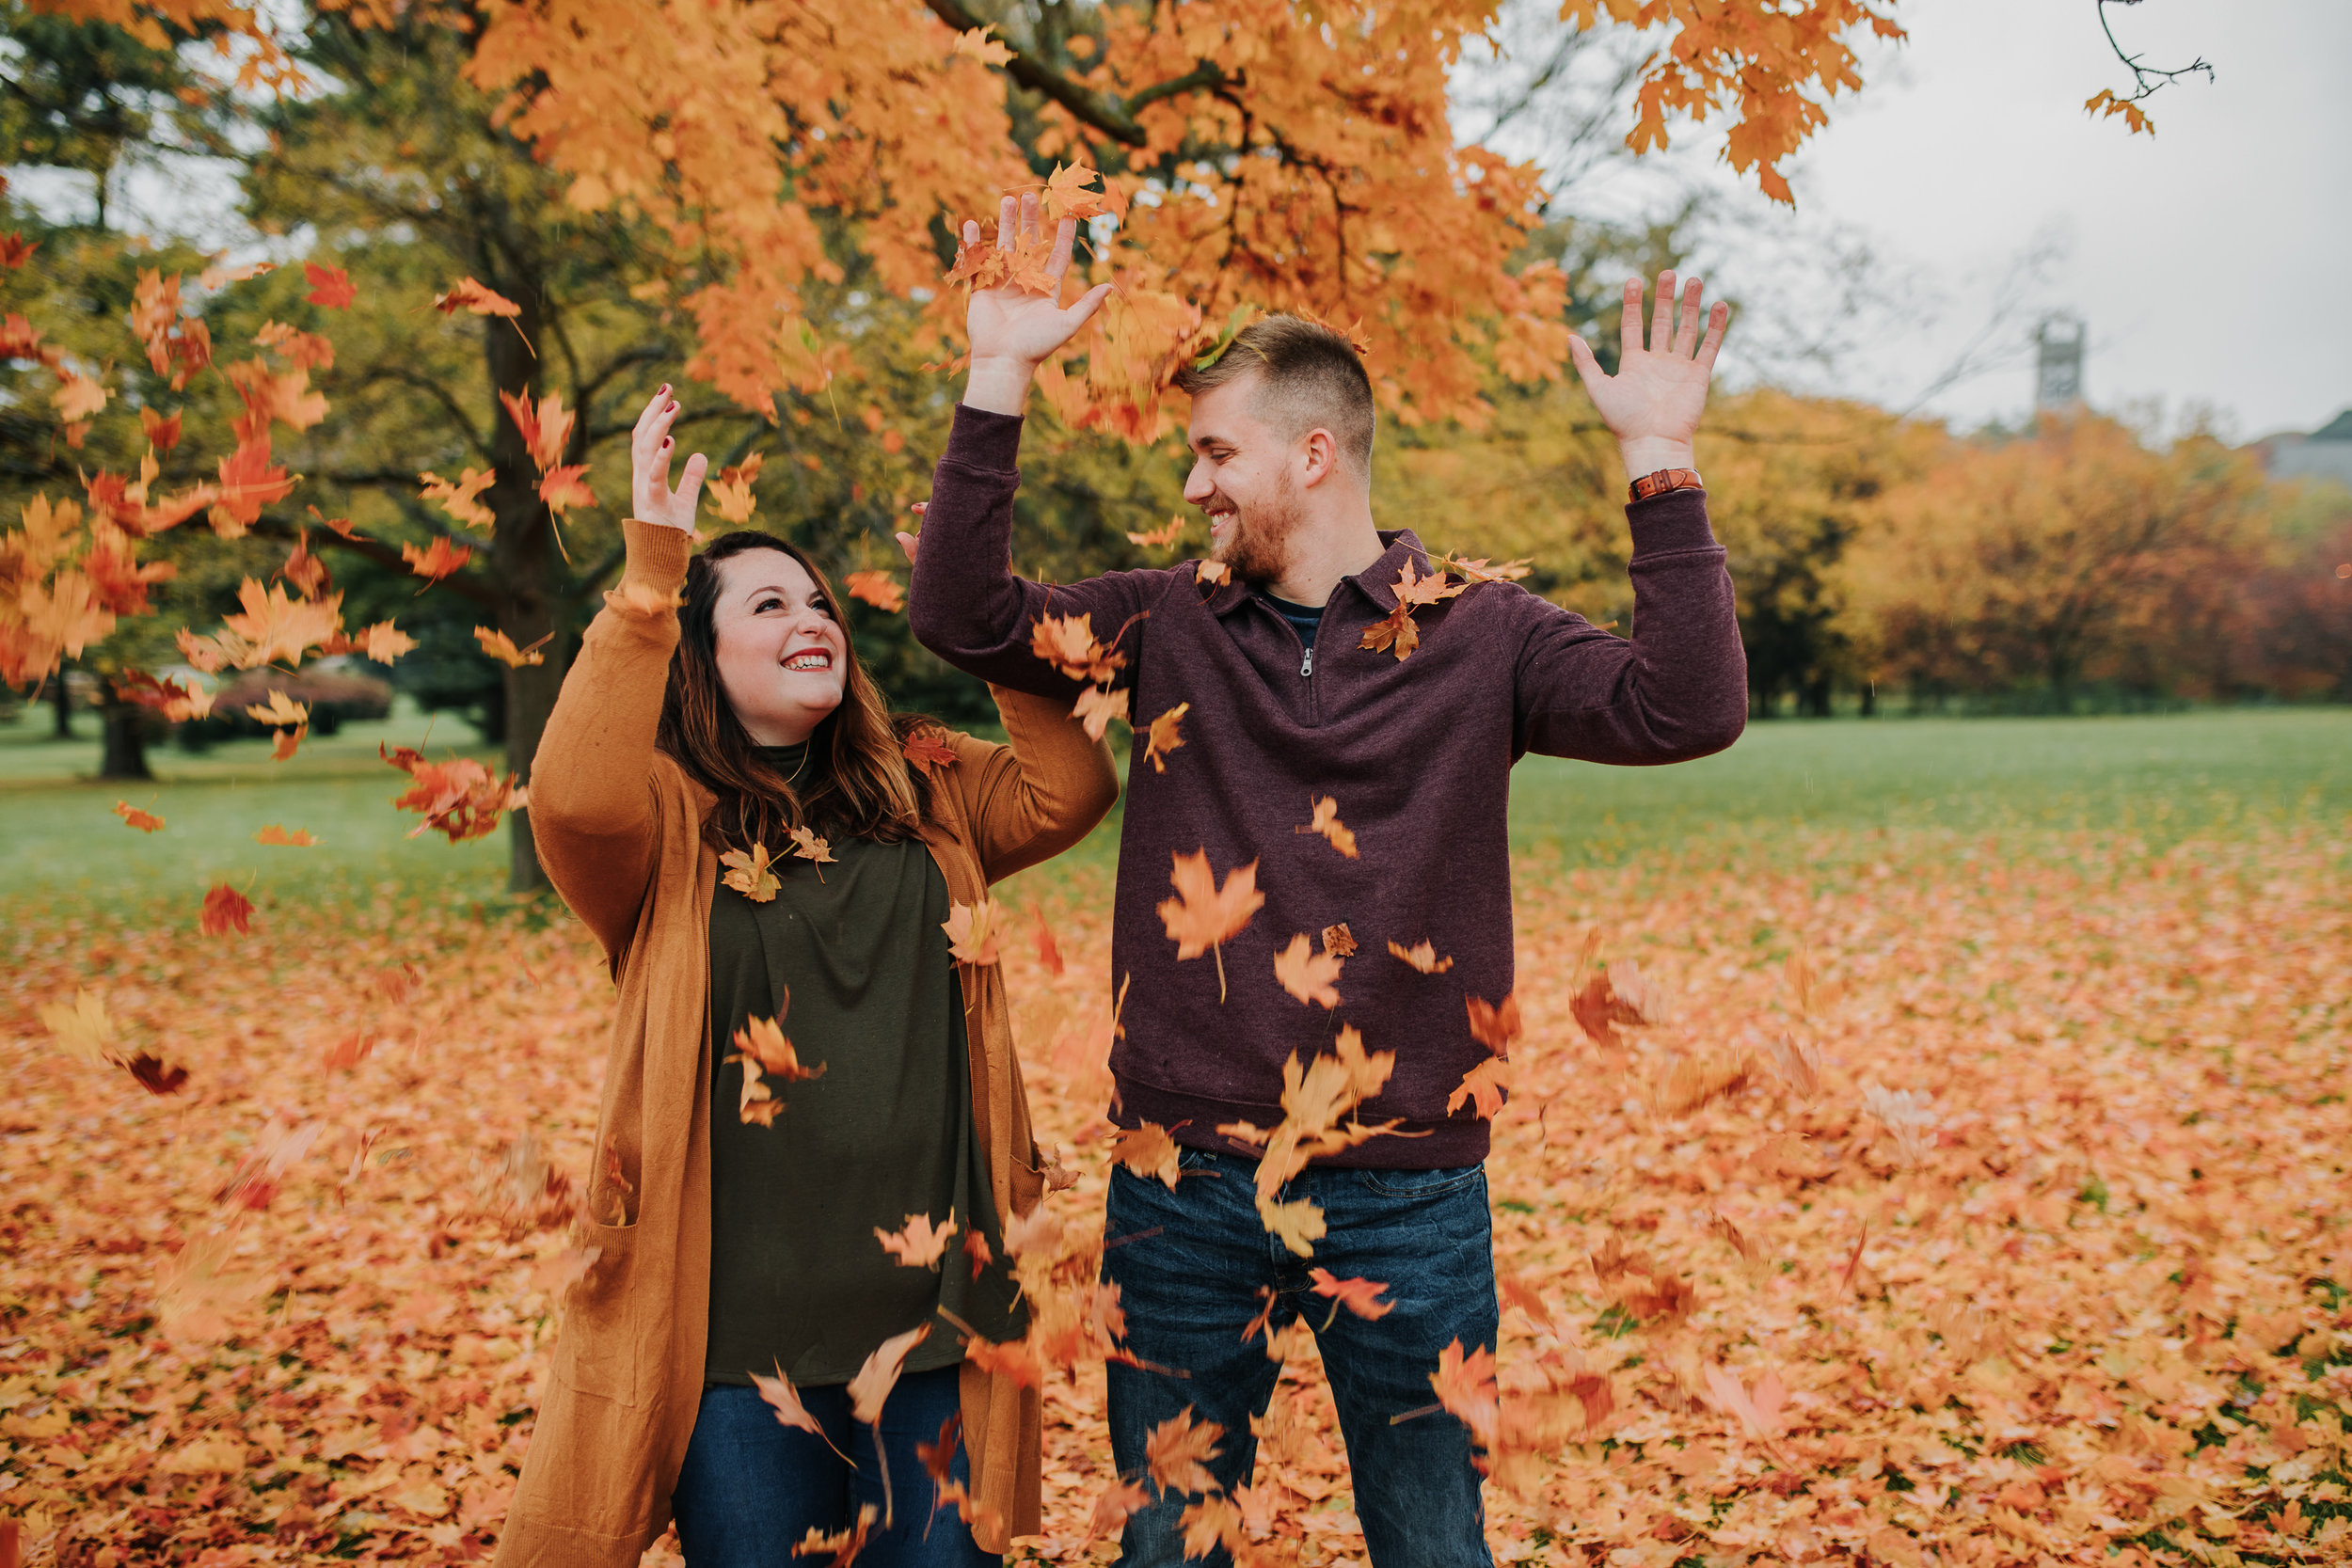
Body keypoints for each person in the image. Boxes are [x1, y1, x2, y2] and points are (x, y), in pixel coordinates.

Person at [906, 194, 1747, 1566]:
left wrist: (1660, 459)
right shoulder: (1163, 619)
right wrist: (997, 374)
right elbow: (963, 615)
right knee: (1169, 1545)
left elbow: (1685, 705)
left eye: (1214, 454)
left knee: (1432, 1542)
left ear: (1312, 452)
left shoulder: (1485, 633)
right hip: (1181, 1181)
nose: (1194, 487)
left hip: (1406, 1187)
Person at [493, 386, 1120, 1568]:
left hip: (936, 1325)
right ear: (702, 650)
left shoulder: (926, 784)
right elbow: (569, 796)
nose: (811, 616)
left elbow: (1071, 789)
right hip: (735, 1346)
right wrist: (647, 579)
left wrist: (977, 617)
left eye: (820, 600)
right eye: (768, 602)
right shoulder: (662, 824)